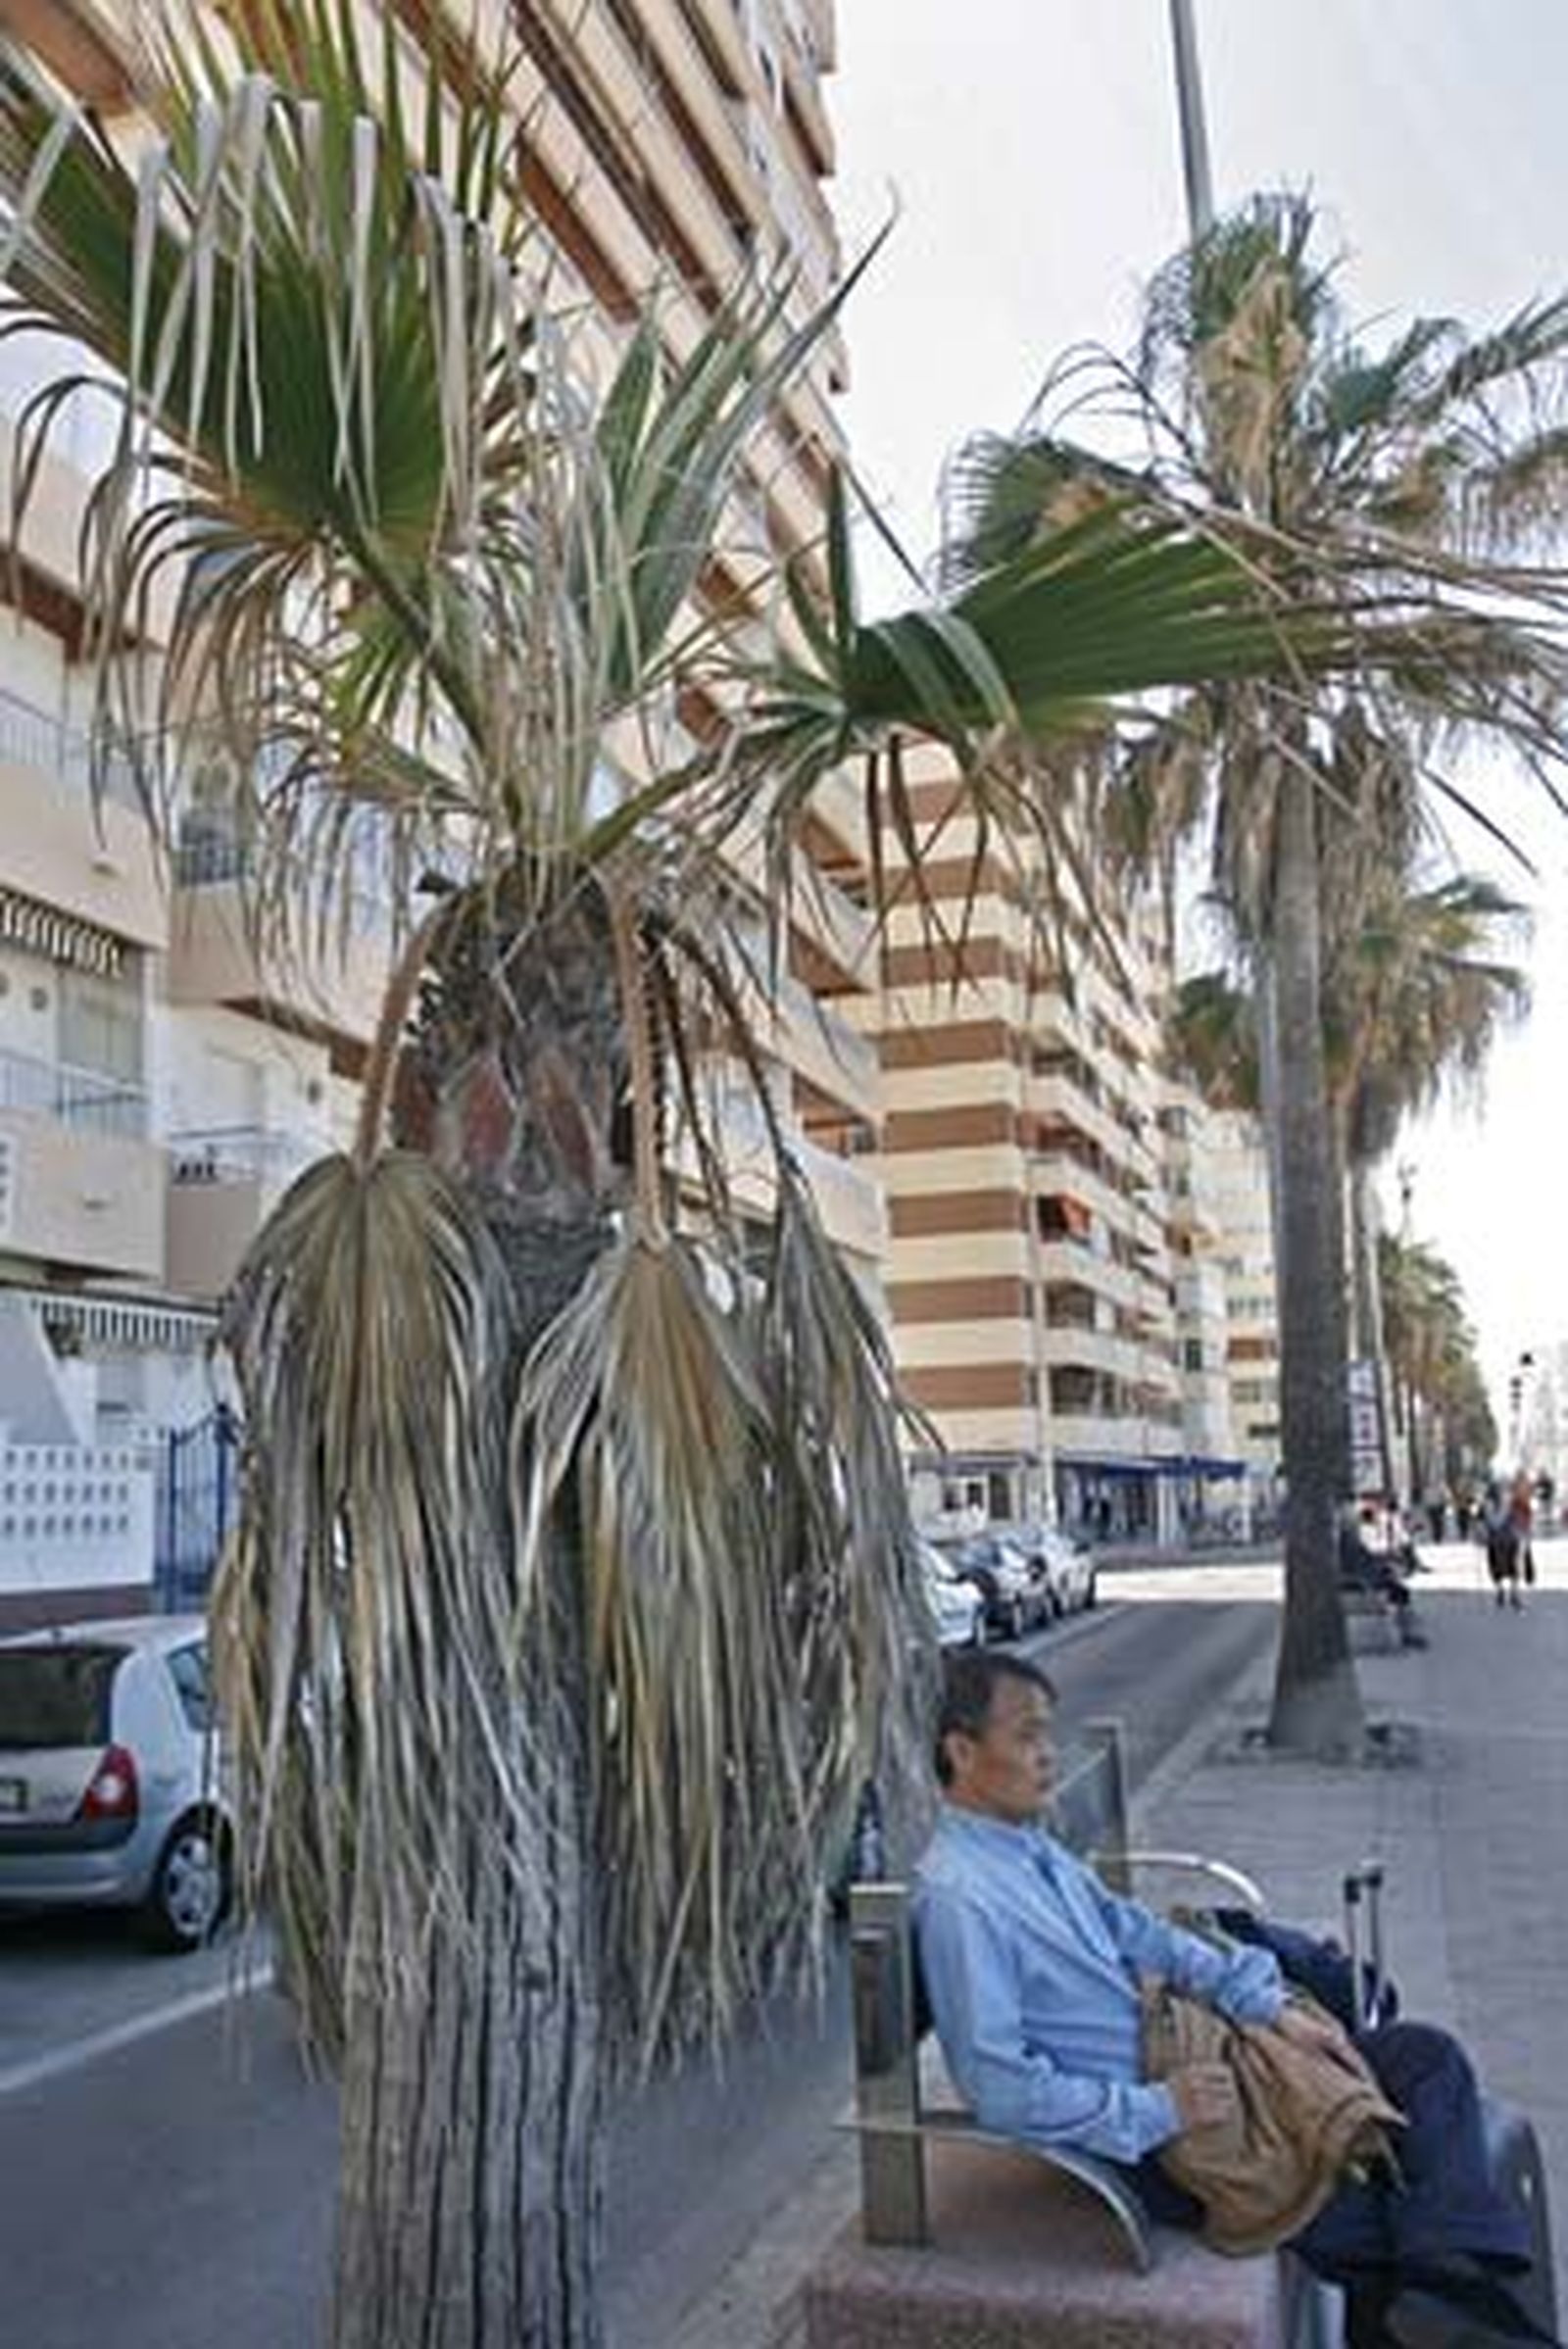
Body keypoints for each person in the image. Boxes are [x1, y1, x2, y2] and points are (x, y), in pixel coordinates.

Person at [914, 1650, 1552, 2349]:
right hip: (1169, 2134)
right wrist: (1162, 2108)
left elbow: (1144, 1933)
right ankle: (1449, 2311)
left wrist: (1268, 2005)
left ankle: (1440, 2308)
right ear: (962, 1751)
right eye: (1027, 1736)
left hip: (1214, 2056)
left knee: (1425, 2058)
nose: (1047, 1754)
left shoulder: (1028, 1847)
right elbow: (1000, 2088)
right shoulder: (961, 1897)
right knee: (1402, 2210)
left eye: (1049, 1733)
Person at [1339, 1505, 1427, 1647]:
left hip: (1356, 1581)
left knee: (1397, 1589)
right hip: (1358, 1583)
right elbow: (1362, 1564)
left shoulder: (1345, 1543)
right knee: (1399, 1592)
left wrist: (1381, 1567)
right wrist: (1381, 1571)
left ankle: (1407, 1630)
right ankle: (1407, 1633)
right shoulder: (1348, 1545)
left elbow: (1366, 1560)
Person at [1482, 1482, 1523, 1610]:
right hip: (1508, 1539)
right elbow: (1515, 1520)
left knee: (1497, 1565)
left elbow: (1487, 1522)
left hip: (1497, 1540)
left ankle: (1502, 1591)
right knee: (1511, 1565)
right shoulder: (1508, 1504)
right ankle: (1511, 1592)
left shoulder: (1488, 1506)